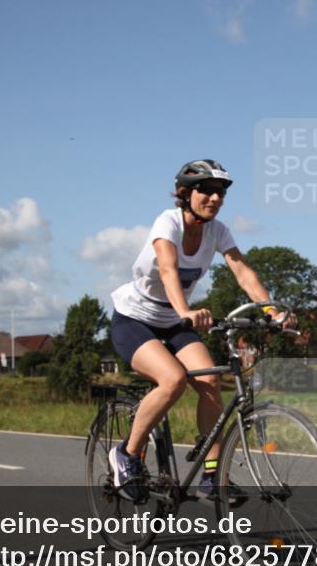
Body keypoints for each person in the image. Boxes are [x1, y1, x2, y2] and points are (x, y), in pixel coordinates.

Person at [108, 159, 293, 503]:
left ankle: (211, 476)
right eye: (206, 190)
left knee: (209, 382)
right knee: (173, 379)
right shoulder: (168, 223)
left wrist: (271, 310)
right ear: (184, 193)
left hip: (176, 322)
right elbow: (167, 268)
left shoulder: (217, 231)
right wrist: (185, 311)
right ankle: (127, 455)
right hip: (135, 319)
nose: (214, 197)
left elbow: (241, 270)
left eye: (220, 192)